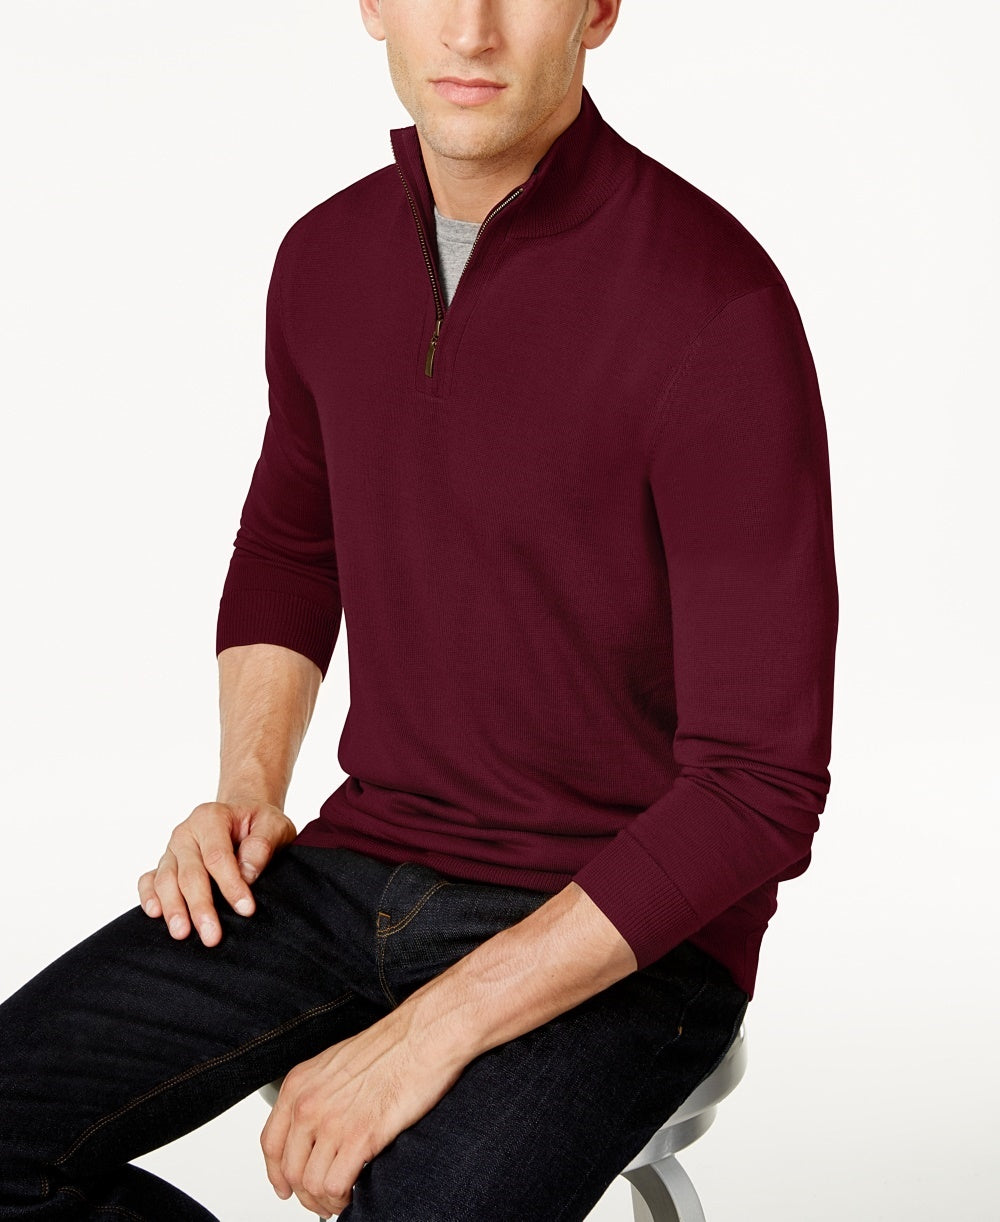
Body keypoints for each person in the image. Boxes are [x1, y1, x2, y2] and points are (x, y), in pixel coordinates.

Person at [0, 1, 839, 1218]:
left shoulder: (714, 303)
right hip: (355, 865)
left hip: (627, 933)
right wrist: (246, 794)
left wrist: (431, 1029)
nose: (471, 29)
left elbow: (758, 788)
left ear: (599, 10)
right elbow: (292, 548)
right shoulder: (325, 258)